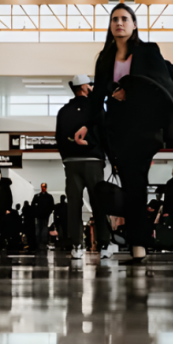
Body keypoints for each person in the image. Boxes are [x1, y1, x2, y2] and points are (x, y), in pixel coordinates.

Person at [80, 3, 173, 263]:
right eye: (115, 19)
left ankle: (138, 242)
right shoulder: (105, 58)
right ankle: (139, 239)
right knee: (132, 183)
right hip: (118, 131)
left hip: (145, 129)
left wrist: (129, 92)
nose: (119, 23)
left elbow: (161, 87)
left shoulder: (148, 52)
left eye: (125, 18)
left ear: (134, 24)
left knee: (135, 180)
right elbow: (97, 97)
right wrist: (84, 124)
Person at [55, 74, 115, 259]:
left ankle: (77, 246)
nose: (92, 87)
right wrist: (109, 157)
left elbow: (59, 137)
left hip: (71, 163)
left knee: (74, 204)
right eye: (90, 84)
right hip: (93, 161)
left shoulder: (64, 111)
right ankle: (104, 245)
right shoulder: (96, 108)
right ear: (83, 87)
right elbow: (105, 133)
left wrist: (66, 157)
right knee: (98, 202)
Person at [32, 183, 55, 251]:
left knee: (42, 230)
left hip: (44, 216)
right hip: (40, 216)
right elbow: (33, 206)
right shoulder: (38, 196)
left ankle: (42, 244)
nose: (43, 188)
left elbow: (51, 207)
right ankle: (40, 244)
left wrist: (47, 212)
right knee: (39, 230)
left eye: (44, 187)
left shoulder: (47, 197)